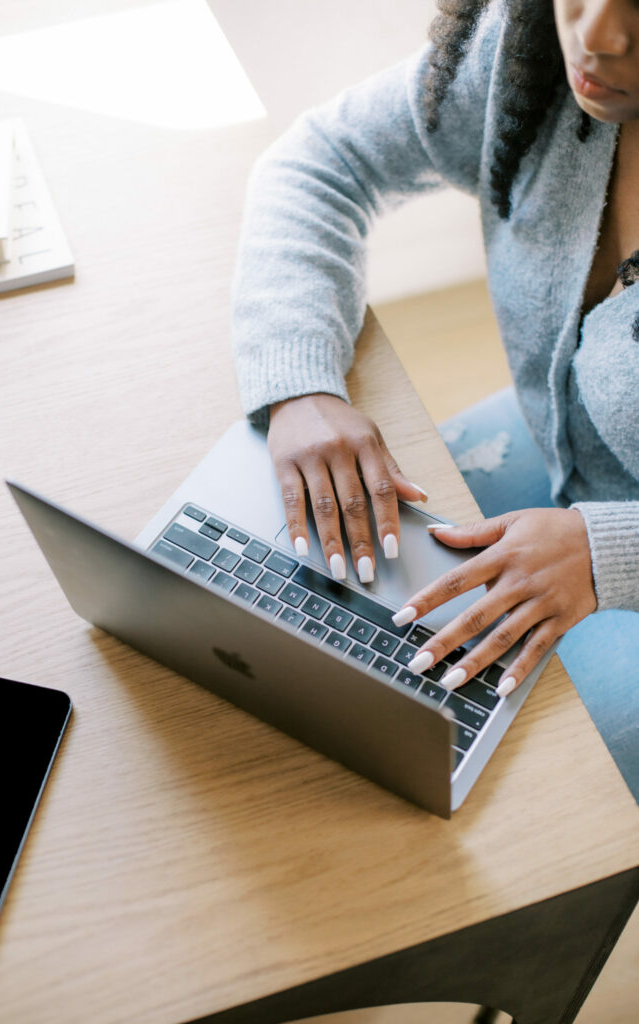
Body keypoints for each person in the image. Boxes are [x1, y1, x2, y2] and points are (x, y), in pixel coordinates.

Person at [231, 0, 639, 794]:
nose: (595, 34)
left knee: (515, 793)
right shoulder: (530, 53)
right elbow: (323, 157)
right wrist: (300, 381)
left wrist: (606, 550)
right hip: (559, 450)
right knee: (297, 585)